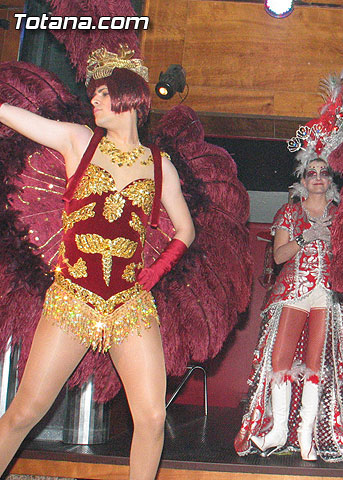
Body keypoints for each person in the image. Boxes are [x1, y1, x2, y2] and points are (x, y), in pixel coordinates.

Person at [0, 50, 194, 480]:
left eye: (103, 93)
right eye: (94, 95)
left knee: (152, 418)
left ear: (130, 97)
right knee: (25, 412)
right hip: (73, 299)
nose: (94, 101)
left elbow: (186, 230)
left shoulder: (160, 166)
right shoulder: (79, 140)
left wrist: (157, 270)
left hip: (130, 305)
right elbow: (12, 115)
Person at [235, 157, 343, 461]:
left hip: (327, 293)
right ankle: (279, 428)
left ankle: (306, 434)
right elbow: (279, 257)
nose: (317, 177)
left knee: (316, 364)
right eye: (311, 173)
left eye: (324, 172)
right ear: (302, 181)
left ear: (330, 180)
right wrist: (306, 237)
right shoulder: (290, 212)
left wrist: (335, 243)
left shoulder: (340, 216)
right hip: (293, 290)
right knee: (280, 359)